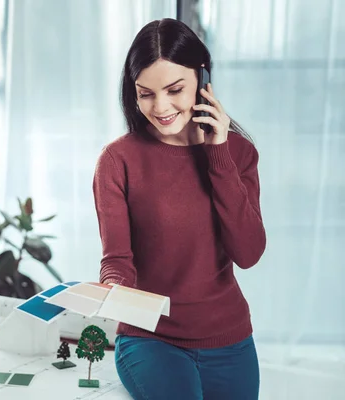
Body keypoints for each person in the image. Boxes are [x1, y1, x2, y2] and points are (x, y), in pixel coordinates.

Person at [92, 18, 266, 400]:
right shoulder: (118, 160)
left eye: (174, 90)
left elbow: (248, 252)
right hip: (151, 339)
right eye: (146, 93)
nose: (161, 107)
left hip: (229, 339)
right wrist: (112, 290)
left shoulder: (238, 154)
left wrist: (216, 152)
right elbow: (117, 259)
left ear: (203, 80)